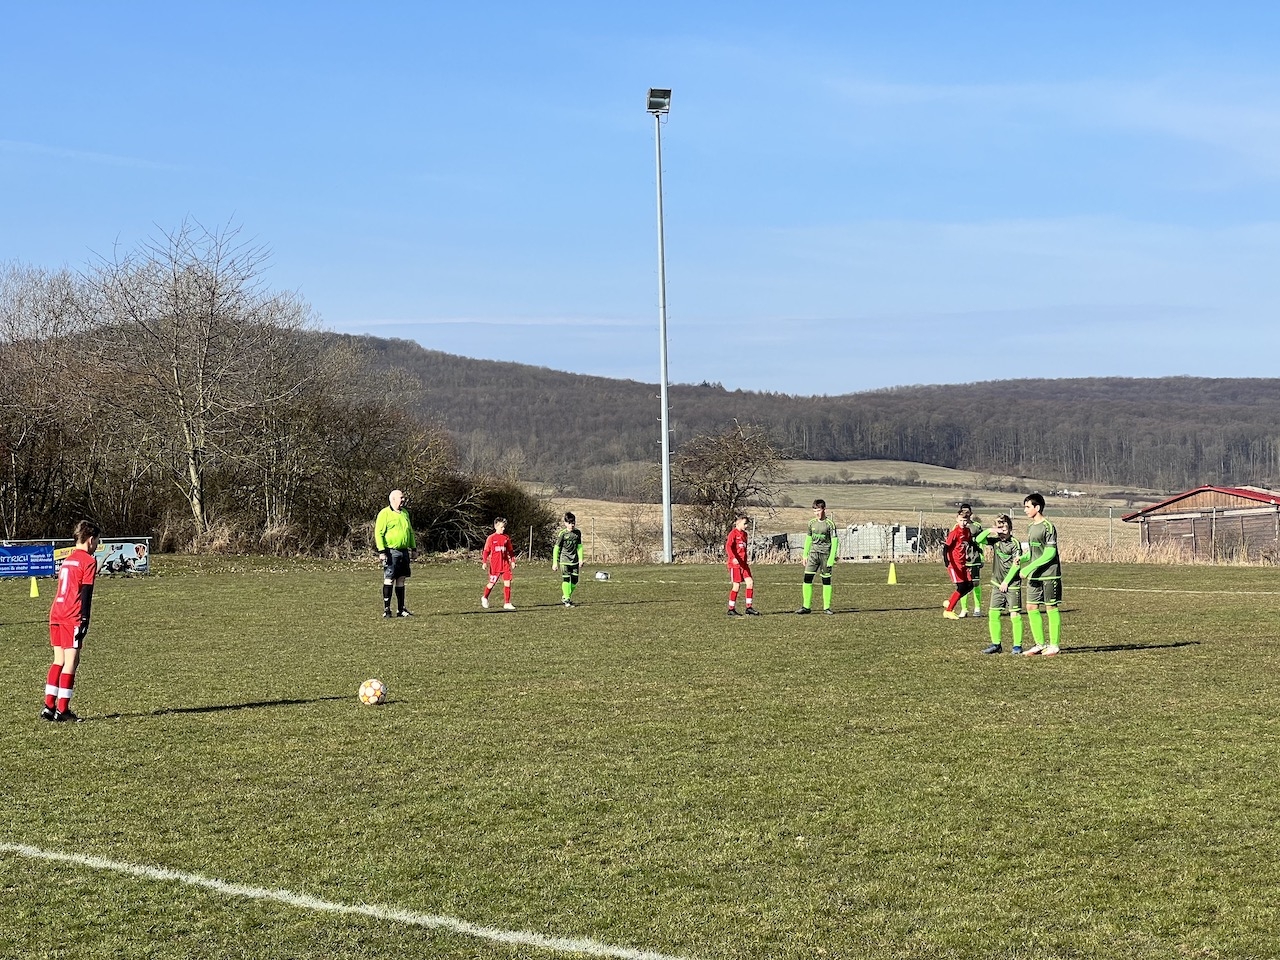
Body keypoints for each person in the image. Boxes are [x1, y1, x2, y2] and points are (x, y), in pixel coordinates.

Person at [41, 519, 101, 722]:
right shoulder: (88, 561)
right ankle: (63, 710)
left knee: (58, 660)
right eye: (97, 541)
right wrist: (85, 618)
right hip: (71, 615)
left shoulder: (67, 560)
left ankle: (49, 706)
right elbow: (86, 593)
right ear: (90, 540)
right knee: (71, 662)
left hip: (56, 612)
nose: (96, 546)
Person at [1001, 493, 1062, 656]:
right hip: (1035, 575)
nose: (1025, 510)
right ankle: (1040, 644)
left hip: (1049, 575)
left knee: (1051, 607)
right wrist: (1022, 558)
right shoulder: (1030, 527)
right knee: (1031, 607)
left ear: (1037, 507)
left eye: (1028, 507)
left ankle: (1054, 645)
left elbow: (1049, 553)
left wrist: (1028, 568)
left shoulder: (1048, 527)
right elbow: (1034, 552)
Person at [973, 514, 1023, 654]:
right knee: (993, 614)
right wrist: (990, 530)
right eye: (999, 529)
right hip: (997, 583)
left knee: (1014, 615)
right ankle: (996, 644)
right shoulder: (995, 541)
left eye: (1004, 529)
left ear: (1010, 528)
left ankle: (1017, 646)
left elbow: (1016, 565)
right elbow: (978, 539)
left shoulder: (1015, 543)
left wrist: (1006, 582)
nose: (1002, 532)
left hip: (1012, 584)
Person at [375, 489, 417, 618]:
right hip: (391, 551)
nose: (403, 500)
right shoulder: (384, 514)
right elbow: (379, 533)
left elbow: (410, 532)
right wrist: (382, 551)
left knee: (401, 579)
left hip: (403, 551)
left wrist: (413, 548)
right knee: (389, 578)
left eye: (403, 497)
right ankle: (387, 609)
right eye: (401, 497)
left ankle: (401, 609)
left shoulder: (405, 513)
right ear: (393, 499)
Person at [796, 499, 838, 614]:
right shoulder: (811, 523)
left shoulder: (830, 524)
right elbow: (808, 539)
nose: (816, 513)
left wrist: (831, 558)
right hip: (813, 555)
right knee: (807, 579)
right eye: (814, 511)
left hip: (825, 555)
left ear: (824, 509)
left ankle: (826, 607)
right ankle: (806, 607)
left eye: (818, 510)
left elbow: (835, 542)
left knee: (826, 580)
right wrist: (805, 555)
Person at [942, 507, 976, 619]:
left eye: (965, 520)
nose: (963, 523)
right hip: (954, 564)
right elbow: (946, 547)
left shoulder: (967, 532)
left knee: (970, 585)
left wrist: (976, 548)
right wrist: (946, 560)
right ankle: (948, 611)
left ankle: (951, 602)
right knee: (961, 586)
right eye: (961, 520)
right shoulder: (954, 533)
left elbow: (969, 542)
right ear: (957, 520)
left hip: (963, 563)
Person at [725, 513, 761, 616]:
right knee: (736, 586)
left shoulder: (745, 534)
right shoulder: (733, 534)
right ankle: (731, 609)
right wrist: (733, 557)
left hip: (744, 564)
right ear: (738, 523)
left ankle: (749, 607)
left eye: (747, 524)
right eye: (745, 524)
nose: (746, 526)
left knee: (750, 582)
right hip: (735, 565)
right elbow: (728, 546)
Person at [481, 517, 516, 610]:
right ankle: (485, 597)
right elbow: (486, 551)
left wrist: (513, 561)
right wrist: (484, 562)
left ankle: (507, 603)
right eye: (501, 527)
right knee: (491, 583)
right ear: (496, 527)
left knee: (507, 583)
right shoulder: (491, 538)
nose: (503, 529)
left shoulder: (506, 538)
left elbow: (510, 551)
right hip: (495, 566)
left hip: (505, 564)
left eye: (504, 527)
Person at [551, 512, 585, 607]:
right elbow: (556, 548)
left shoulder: (577, 533)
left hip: (574, 561)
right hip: (564, 560)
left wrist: (581, 559)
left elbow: (579, 546)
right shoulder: (563, 534)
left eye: (573, 523)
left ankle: (566, 596)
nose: (571, 525)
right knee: (566, 579)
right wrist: (555, 563)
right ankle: (567, 599)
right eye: (569, 523)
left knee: (574, 581)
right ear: (565, 523)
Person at [958, 504, 985, 617]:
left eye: (967, 511)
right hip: (962, 560)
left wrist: (982, 557)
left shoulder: (977, 527)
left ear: (971, 513)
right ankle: (964, 609)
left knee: (975, 583)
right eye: (963, 511)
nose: (965, 513)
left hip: (974, 559)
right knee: (963, 584)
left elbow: (982, 541)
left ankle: (977, 608)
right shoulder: (957, 526)